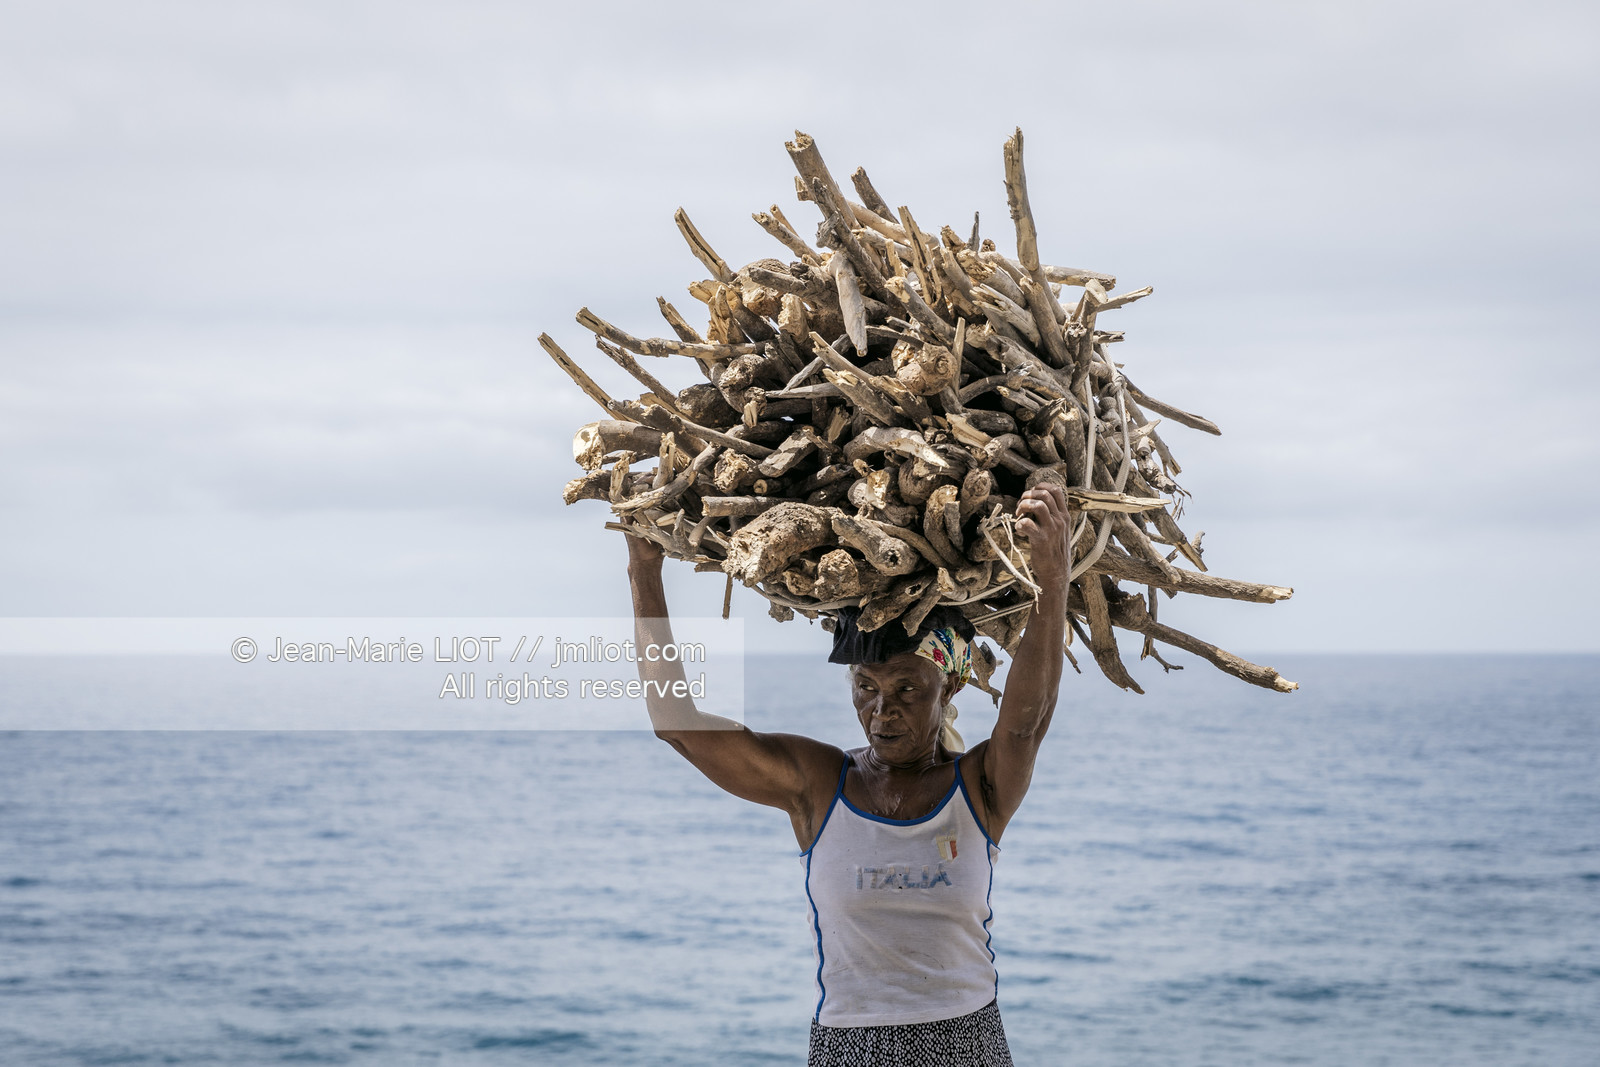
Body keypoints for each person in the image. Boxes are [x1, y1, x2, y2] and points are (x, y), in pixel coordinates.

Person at [624, 482, 1072, 1067]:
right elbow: (676, 723)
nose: (882, 711)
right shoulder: (818, 785)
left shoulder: (979, 786)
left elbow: (1024, 722)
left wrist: (1052, 580)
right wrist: (643, 569)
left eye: (907, 689)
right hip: (848, 1048)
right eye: (866, 689)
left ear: (951, 685)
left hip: (967, 1044)